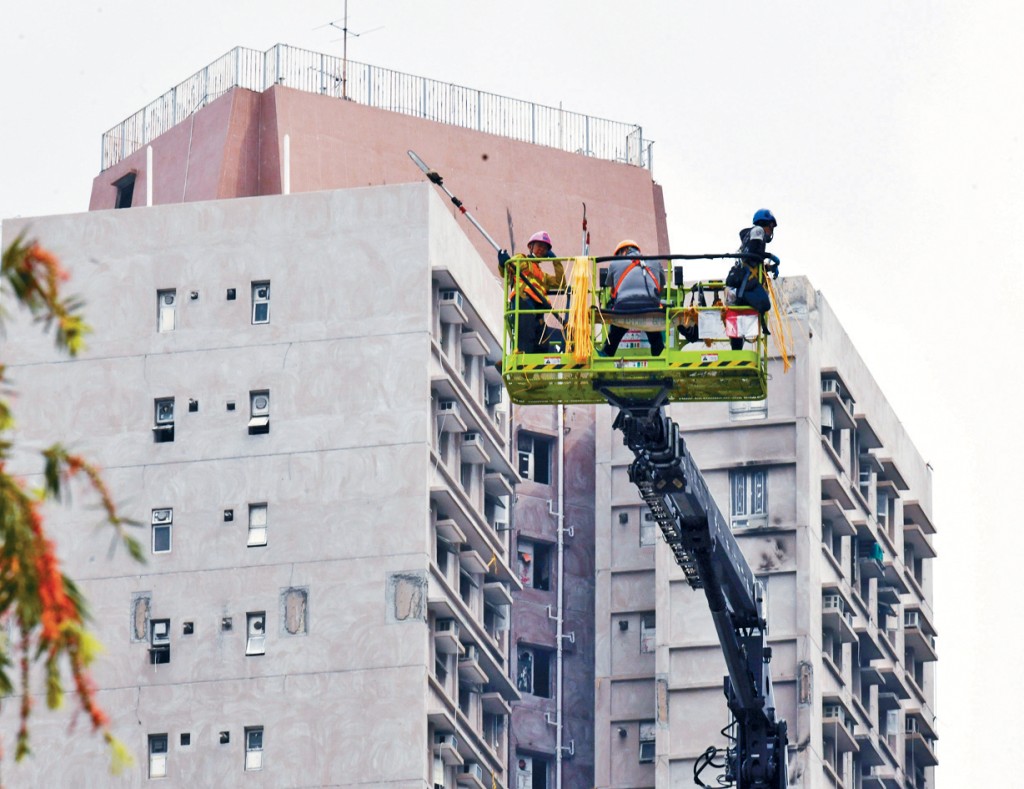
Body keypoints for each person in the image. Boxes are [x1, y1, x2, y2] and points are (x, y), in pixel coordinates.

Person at [497, 231, 565, 353]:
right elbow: (506, 270)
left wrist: (556, 261)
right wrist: (502, 262)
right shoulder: (522, 259)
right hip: (524, 302)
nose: (542, 250)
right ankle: (521, 356)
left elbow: (561, 283)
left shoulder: (542, 275)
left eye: (545, 248)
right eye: (539, 246)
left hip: (538, 311)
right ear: (530, 247)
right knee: (525, 337)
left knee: (542, 344)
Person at [600, 239, 665, 357]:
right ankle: (659, 356)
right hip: (651, 308)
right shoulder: (655, 261)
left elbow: (612, 292)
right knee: (654, 334)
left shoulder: (615, 263)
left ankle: (606, 354)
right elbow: (661, 289)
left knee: (615, 332)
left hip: (623, 309)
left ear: (624, 251)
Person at [726, 209, 780, 350]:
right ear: (765, 223)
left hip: (743, 282)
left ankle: (736, 351)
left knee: (739, 317)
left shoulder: (748, 237)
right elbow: (754, 254)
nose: (771, 231)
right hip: (746, 283)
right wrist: (771, 256)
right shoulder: (758, 231)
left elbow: (753, 259)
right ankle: (741, 295)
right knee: (764, 304)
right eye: (771, 227)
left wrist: (769, 267)